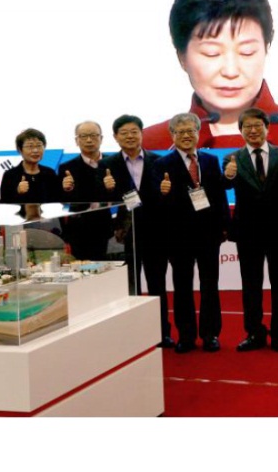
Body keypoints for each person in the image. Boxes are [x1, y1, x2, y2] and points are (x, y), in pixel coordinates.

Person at [141, 0, 278, 150]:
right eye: (211, 53)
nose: (230, 71)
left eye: (246, 52)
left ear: (266, 49)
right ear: (182, 57)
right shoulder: (149, 144)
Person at [223, 108, 278, 353]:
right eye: (247, 127)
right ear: (241, 131)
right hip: (247, 231)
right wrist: (227, 176)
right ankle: (254, 333)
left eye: (258, 126)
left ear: (267, 128)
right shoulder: (232, 159)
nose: (253, 130)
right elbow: (223, 185)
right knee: (251, 285)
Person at [154, 112, 230, 353]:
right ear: (172, 135)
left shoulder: (210, 160)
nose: (186, 136)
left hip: (209, 235)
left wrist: (224, 226)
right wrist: (162, 193)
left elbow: (219, 195)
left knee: (210, 285)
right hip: (179, 237)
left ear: (198, 133)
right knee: (182, 287)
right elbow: (156, 203)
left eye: (191, 131)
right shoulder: (161, 164)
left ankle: (210, 334)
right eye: (181, 132)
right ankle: (186, 336)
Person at [102, 114, 174, 348]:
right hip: (124, 234)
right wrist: (107, 189)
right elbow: (102, 201)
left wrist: (166, 192)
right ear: (115, 137)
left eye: (134, 131)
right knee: (129, 286)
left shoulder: (159, 161)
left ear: (142, 134)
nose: (130, 136)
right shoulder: (107, 165)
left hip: (155, 232)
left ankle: (161, 332)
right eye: (124, 133)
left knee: (157, 285)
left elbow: (168, 198)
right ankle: (132, 335)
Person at [57, 120, 113, 260]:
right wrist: (66, 189)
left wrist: (112, 188)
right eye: (83, 136)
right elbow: (61, 201)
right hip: (78, 230)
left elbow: (124, 193)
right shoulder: (67, 167)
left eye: (93, 135)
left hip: (107, 228)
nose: (89, 140)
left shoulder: (114, 163)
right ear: (76, 140)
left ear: (101, 138)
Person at [0, 128, 60, 206]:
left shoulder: (50, 173)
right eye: (30, 146)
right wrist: (17, 192)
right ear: (20, 150)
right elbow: (4, 204)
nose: (35, 150)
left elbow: (57, 202)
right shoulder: (10, 175)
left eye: (39, 146)